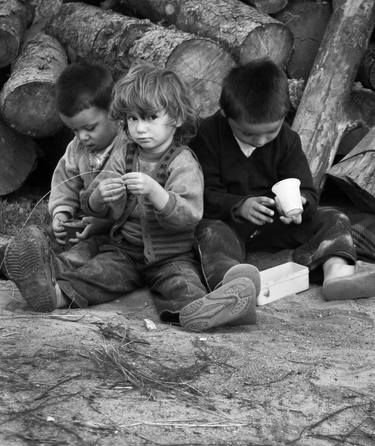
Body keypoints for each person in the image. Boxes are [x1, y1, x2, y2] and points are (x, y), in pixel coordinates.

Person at [4, 64, 260, 331]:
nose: (140, 128)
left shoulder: (182, 162)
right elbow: (98, 203)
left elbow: (190, 215)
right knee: (99, 274)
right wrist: (98, 197)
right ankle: (53, 294)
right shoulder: (125, 153)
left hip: (170, 256)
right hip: (123, 250)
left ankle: (206, 312)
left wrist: (157, 193)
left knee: (183, 285)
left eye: (150, 117)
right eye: (133, 119)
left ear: (176, 118)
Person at [190, 57, 375, 300]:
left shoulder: (287, 140)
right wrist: (239, 206)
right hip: (230, 225)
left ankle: (337, 273)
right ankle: (233, 285)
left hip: (274, 225)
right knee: (209, 233)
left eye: (270, 132)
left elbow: (308, 191)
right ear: (225, 114)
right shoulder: (208, 135)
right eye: (247, 133)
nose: (260, 141)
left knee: (334, 217)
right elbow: (202, 195)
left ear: (284, 116)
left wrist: (300, 205)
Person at [49, 61, 125, 247]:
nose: (82, 137)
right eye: (74, 130)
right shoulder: (76, 149)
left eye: (90, 128)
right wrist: (61, 212)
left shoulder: (129, 145)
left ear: (113, 110)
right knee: (58, 243)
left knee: (85, 256)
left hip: (121, 230)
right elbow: (65, 182)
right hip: (85, 225)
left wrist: (106, 223)